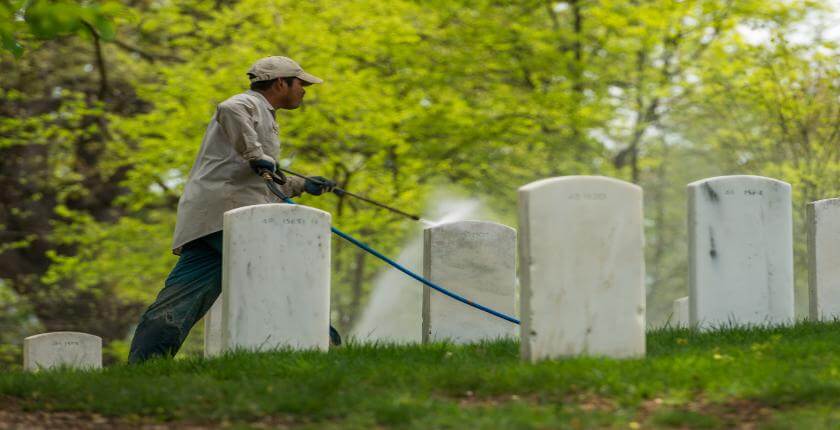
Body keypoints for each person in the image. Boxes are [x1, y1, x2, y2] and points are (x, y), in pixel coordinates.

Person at [128, 56, 338, 363]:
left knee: (182, 297)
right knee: (278, 271)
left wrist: (301, 186)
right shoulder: (248, 103)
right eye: (301, 83)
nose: (305, 90)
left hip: (216, 218)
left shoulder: (264, 116)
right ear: (281, 83)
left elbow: (257, 179)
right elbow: (230, 111)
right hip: (229, 218)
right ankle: (320, 337)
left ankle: (145, 365)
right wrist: (256, 154)